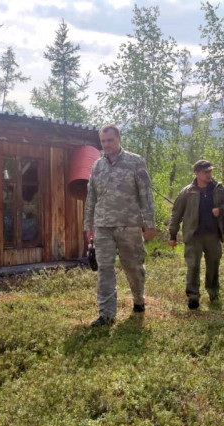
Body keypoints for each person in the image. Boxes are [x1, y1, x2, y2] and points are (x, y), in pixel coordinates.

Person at [84, 124, 157, 326]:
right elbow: (91, 197)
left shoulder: (135, 162)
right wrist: (88, 225)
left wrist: (149, 223)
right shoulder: (97, 165)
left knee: (133, 267)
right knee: (104, 268)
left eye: (110, 140)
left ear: (119, 139)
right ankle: (106, 314)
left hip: (129, 224)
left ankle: (139, 300)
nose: (106, 145)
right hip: (103, 225)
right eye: (103, 141)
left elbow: (146, 194)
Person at [169, 160, 224, 309]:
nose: (209, 175)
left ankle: (213, 293)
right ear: (196, 173)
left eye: (210, 171)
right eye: (206, 172)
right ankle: (193, 297)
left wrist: (221, 210)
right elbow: (176, 214)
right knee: (193, 267)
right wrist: (172, 235)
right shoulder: (187, 192)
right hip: (194, 237)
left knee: (213, 266)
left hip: (213, 236)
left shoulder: (219, 189)